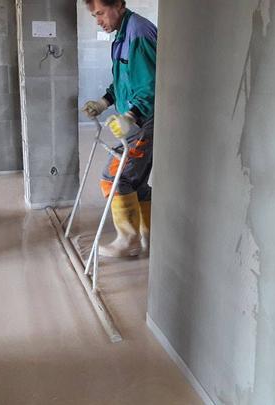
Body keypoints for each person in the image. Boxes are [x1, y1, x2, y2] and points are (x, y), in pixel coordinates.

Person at [81, 0, 157, 258]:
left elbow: (151, 84)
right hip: (138, 119)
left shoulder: (138, 32)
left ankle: (128, 239)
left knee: (114, 177)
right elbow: (123, 80)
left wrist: (132, 116)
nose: (98, 21)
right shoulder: (123, 33)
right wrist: (104, 102)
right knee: (136, 183)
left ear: (119, 5)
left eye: (101, 13)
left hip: (144, 121)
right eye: (95, 16)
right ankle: (150, 237)